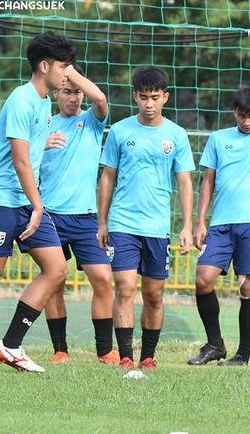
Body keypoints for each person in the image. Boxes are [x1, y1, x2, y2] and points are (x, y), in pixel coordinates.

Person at [0, 32, 76, 372]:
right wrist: (38, 206)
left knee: (56, 268)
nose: (68, 73)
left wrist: (42, 143)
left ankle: (11, 345)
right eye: (64, 67)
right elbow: (20, 161)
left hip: (27, 202)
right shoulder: (21, 100)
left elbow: (26, 149)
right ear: (44, 66)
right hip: (3, 201)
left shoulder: (43, 100)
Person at [98, 66, 195, 370]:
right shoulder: (120, 131)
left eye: (155, 97)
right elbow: (107, 177)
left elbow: (184, 182)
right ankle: (126, 356)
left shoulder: (177, 135)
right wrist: (102, 221)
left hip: (157, 228)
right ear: (135, 97)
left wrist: (187, 226)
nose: (149, 103)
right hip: (123, 223)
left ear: (165, 97)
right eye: (143, 97)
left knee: (154, 295)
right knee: (125, 288)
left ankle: (148, 356)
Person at [187, 86, 250, 367]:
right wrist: (200, 221)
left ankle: (243, 355)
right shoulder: (218, 139)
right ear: (234, 113)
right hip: (220, 225)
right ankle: (215, 344)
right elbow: (208, 181)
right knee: (203, 279)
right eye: (242, 115)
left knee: (247, 287)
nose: (247, 122)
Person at [39, 63, 119, 365]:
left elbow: (100, 99)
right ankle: (60, 349)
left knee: (102, 279)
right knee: (54, 282)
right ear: (56, 93)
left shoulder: (92, 120)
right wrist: (40, 144)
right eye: (67, 92)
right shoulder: (44, 125)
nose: (74, 98)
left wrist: (70, 72)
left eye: (77, 92)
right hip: (50, 217)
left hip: (85, 218)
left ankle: (104, 350)